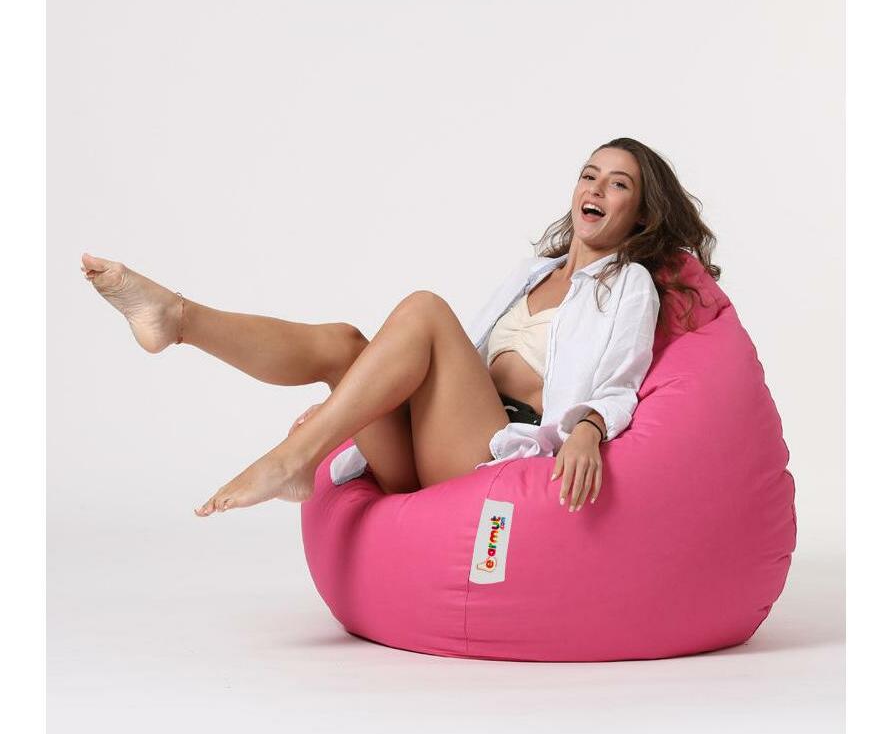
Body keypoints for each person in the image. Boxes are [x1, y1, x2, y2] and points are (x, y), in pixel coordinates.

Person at [81, 136, 720, 517]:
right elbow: (450, 369)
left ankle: (293, 460)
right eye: (589, 175)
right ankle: (179, 319)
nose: (596, 190)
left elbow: (622, 382)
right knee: (343, 344)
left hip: (496, 452)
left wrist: (587, 429)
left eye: (618, 185)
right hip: (435, 440)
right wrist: (354, 403)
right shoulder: (533, 273)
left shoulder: (627, 285)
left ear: (640, 214)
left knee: (425, 309)